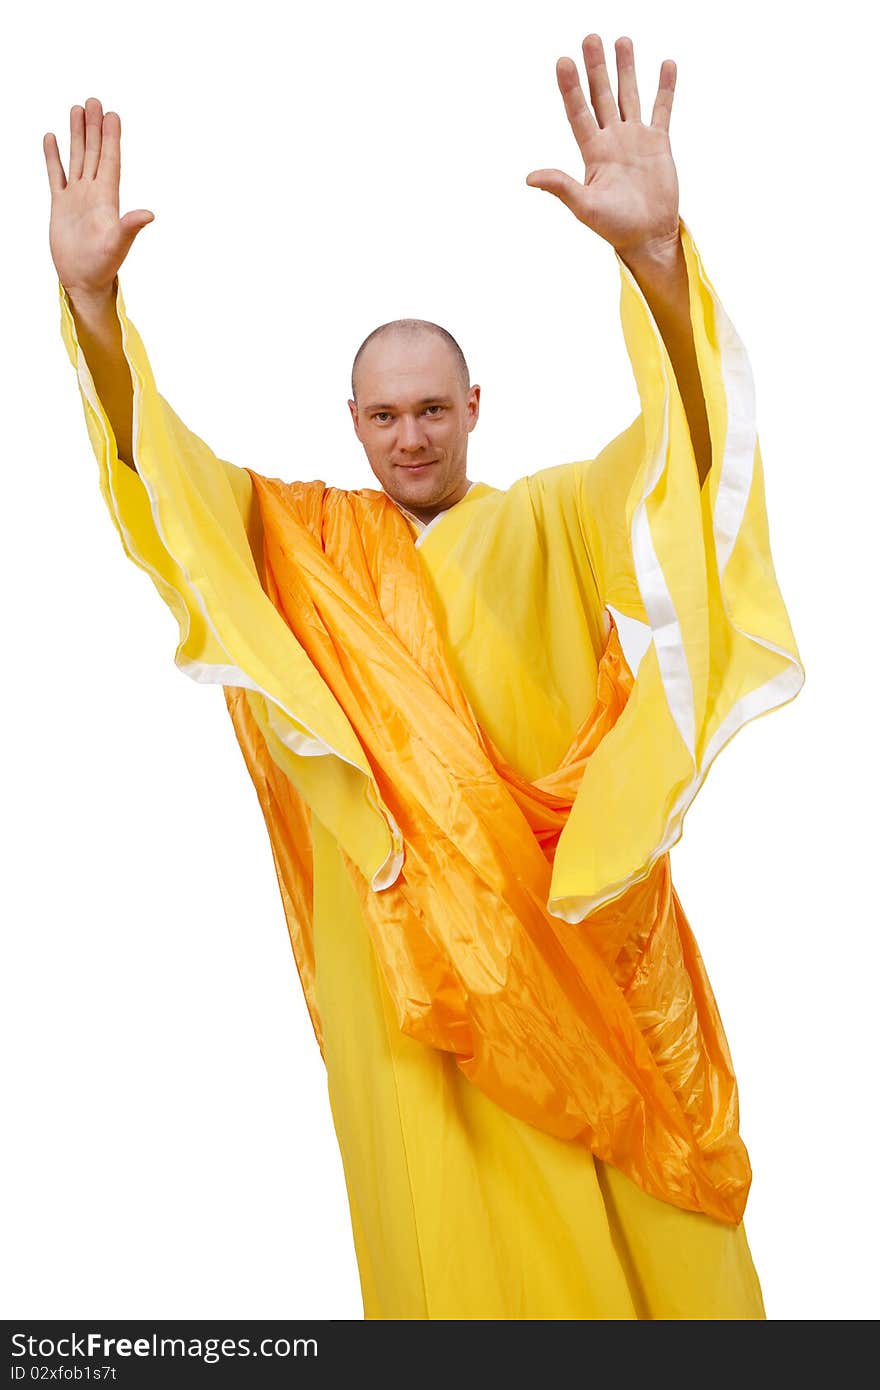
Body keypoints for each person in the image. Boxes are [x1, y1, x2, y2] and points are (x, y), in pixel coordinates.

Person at [45, 32, 804, 1320]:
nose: (410, 437)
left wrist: (657, 261)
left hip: (554, 945)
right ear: (353, 423)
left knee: (627, 1229)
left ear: (472, 409)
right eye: (385, 416)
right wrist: (96, 311)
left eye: (433, 411)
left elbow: (689, 462)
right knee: (437, 1236)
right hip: (400, 959)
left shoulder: (549, 520)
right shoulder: (298, 540)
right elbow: (162, 484)